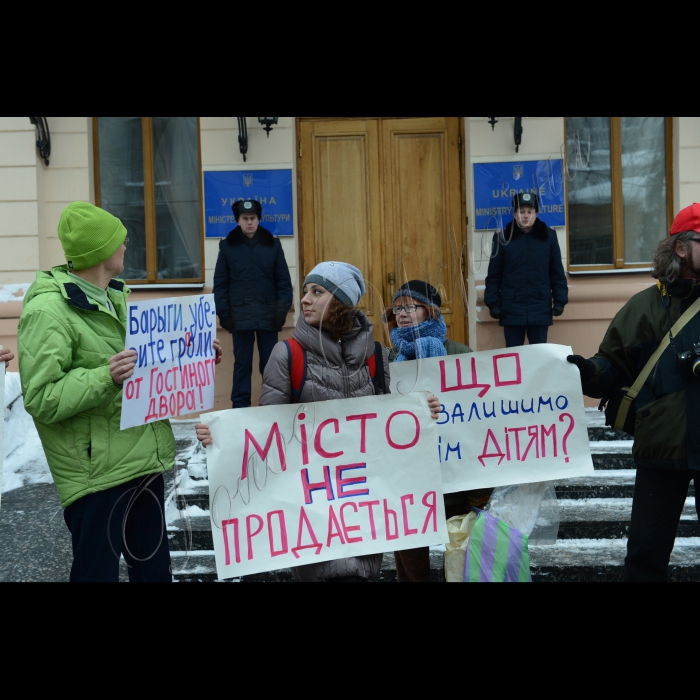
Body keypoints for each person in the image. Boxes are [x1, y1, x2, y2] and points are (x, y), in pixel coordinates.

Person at [17, 202, 222, 583]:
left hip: (141, 462)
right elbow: (41, 397)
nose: (126, 244)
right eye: (119, 238)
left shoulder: (117, 297)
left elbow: (144, 365)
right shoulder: (48, 311)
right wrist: (104, 378)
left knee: (154, 573)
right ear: (100, 251)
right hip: (96, 476)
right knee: (97, 574)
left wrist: (194, 353)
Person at [198, 262, 441, 582]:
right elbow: (265, 434)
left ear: (341, 301)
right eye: (304, 292)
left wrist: (420, 410)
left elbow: (387, 427)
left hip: (363, 513)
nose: (304, 300)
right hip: (311, 522)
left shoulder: (375, 354)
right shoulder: (286, 355)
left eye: (317, 292)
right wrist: (222, 437)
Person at [567, 203, 700, 583]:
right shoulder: (644, 306)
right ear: (681, 248)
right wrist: (588, 372)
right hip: (661, 448)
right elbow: (612, 365)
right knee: (645, 558)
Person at [387, 280, 491, 582]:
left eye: (410, 306)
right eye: (397, 308)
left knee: (458, 556)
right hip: (407, 478)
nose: (402, 314)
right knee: (409, 557)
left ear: (429, 311)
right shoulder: (390, 359)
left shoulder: (458, 353)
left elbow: (482, 408)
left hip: (453, 474)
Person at [214, 200, 294, 409]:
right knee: (242, 365)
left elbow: (283, 282)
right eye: (245, 219)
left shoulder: (272, 244)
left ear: (259, 219)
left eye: (253, 218)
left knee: (270, 365)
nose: (249, 222)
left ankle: (272, 406)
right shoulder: (227, 246)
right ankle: (240, 409)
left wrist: (281, 311)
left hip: (269, 316)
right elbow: (220, 284)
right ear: (238, 220)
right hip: (240, 317)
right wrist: (224, 314)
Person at [485, 193, 568, 348]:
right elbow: (494, 275)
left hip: (540, 308)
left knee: (539, 356)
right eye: (521, 211)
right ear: (515, 213)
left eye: (529, 212)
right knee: (514, 358)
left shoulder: (549, 237)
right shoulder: (502, 238)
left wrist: (560, 300)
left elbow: (556, 272)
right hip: (511, 309)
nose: (525, 216)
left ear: (536, 213)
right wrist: (493, 304)